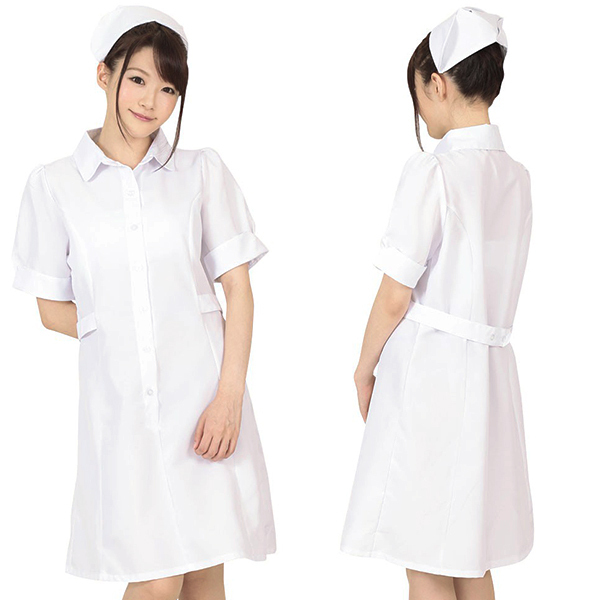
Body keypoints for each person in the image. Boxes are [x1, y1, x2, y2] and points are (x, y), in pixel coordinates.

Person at [11, 6, 275, 599]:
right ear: (103, 75)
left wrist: (229, 398)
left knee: (204, 573)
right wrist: (126, 329)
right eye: (137, 79)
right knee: (156, 580)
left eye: (168, 88)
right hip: (123, 413)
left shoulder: (200, 173)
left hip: (206, 404)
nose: (151, 101)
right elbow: (52, 310)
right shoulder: (54, 186)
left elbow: (238, 289)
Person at [340, 7, 533, 600]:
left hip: (431, 377)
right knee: (469, 554)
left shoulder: (434, 171)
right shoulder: (516, 176)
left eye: (418, 94)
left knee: (421, 549)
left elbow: (394, 293)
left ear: (438, 83)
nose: (422, 112)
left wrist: (363, 367)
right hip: (491, 379)